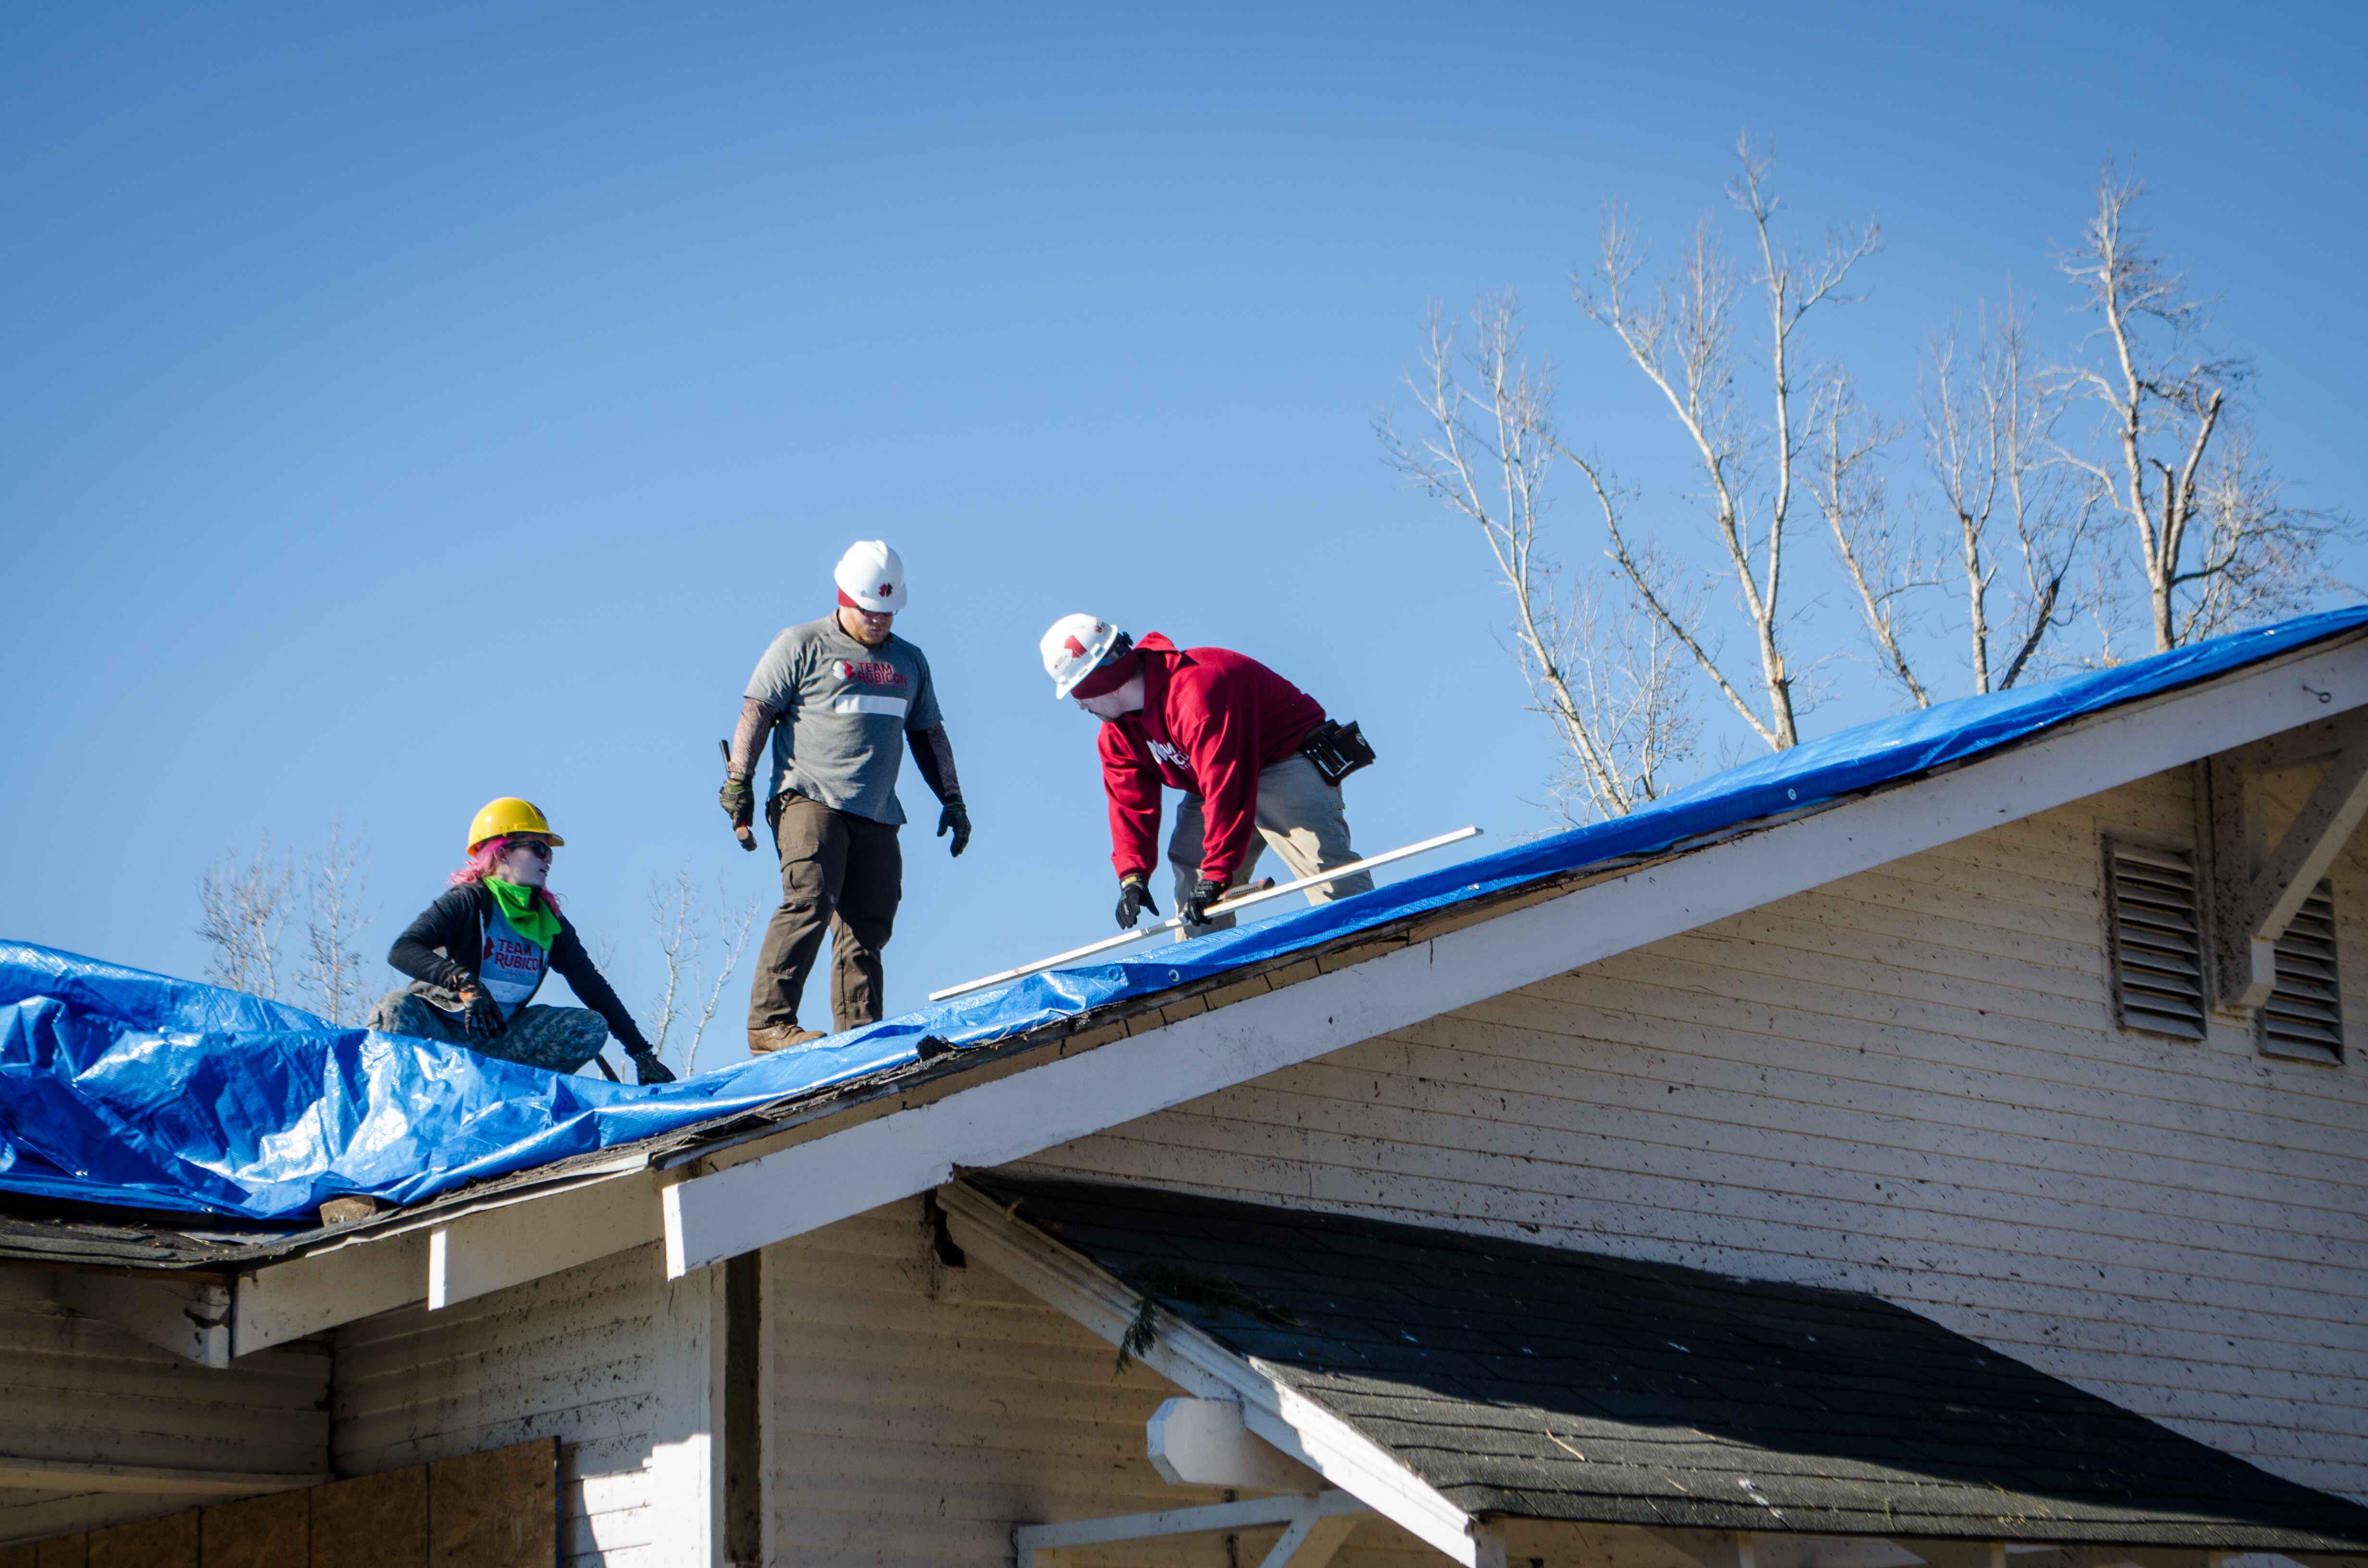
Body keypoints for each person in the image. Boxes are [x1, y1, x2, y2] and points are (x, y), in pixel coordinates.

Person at [720, 540, 970, 1054]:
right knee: (810, 898)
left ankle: (860, 1032)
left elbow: (928, 735)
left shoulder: (909, 661)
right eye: (869, 611)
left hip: (876, 810)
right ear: (844, 597)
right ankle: (769, 1023)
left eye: (888, 611)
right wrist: (738, 782)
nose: (879, 621)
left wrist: (952, 798)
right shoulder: (801, 644)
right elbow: (756, 712)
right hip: (809, 797)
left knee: (869, 921)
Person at [1040, 614, 1374, 935]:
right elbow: (1129, 804)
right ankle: (1202, 976)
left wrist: (1217, 875)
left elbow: (1228, 787)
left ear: (1105, 685)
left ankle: (1370, 939)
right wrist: (1133, 875)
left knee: (1323, 870)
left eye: (1079, 696)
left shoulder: (1194, 695)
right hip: (1213, 777)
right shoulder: (1117, 735)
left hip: (1281, 758)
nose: (1082, 707)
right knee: (1193, 877)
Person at [368, 797, 677, 1085]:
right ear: (501, 852)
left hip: (497, 1043)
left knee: (589, 1027)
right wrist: (463, 981)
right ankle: (397, 1105)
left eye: (550, 851)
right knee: (395, 1007)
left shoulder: (548, 922)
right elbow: (403, 950)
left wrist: (641, 1055)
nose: (548, 859)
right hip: (438, 1034)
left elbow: (593, 987)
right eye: (538, 849)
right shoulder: (470, 901)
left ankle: (510, 1101)